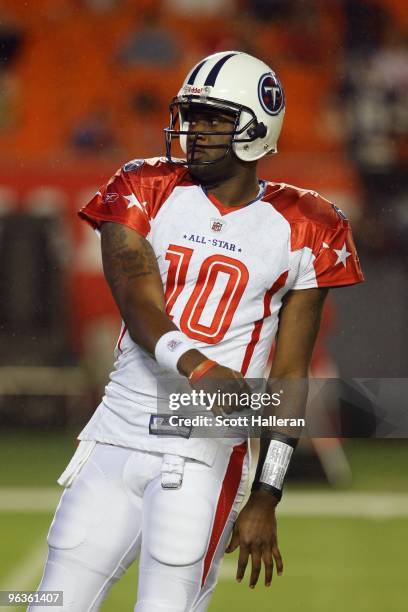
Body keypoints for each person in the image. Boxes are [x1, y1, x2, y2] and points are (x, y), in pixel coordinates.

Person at [31, 51, 363, 611]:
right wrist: (201, 368)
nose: (195, 132)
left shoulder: (311, 224)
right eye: (192, 116)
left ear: (258, 126)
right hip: (116, 436)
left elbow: (288, 374)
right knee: (52, 604)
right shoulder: (144, 184)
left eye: (214, 119)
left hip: (206, 456)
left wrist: (267, 493)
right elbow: (140, 307)